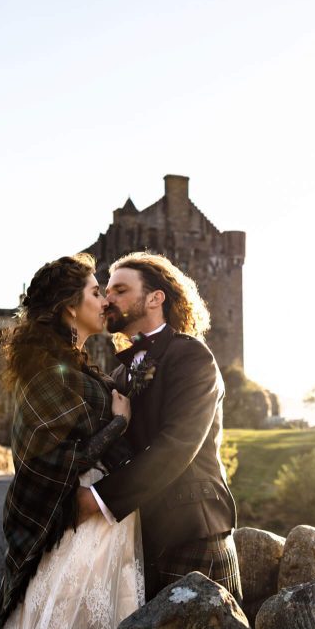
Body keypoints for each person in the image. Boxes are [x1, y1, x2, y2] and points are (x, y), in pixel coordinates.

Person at [0, 254, 143, 629]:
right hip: (76, 527)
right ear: (70, 306)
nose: (104, 301)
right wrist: (119, 424)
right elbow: (46, 457)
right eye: (95, 292)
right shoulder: (50, 370)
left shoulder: (75, 363)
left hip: (100, 526)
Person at [76, 252, 242, 602]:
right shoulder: (120, 374)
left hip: (193, 533)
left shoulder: (192, 356)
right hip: (141, 536)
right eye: (106, 291)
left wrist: (99, 499)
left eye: (120, 290)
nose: (108, 300)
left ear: (155, 298)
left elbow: (178, 444)